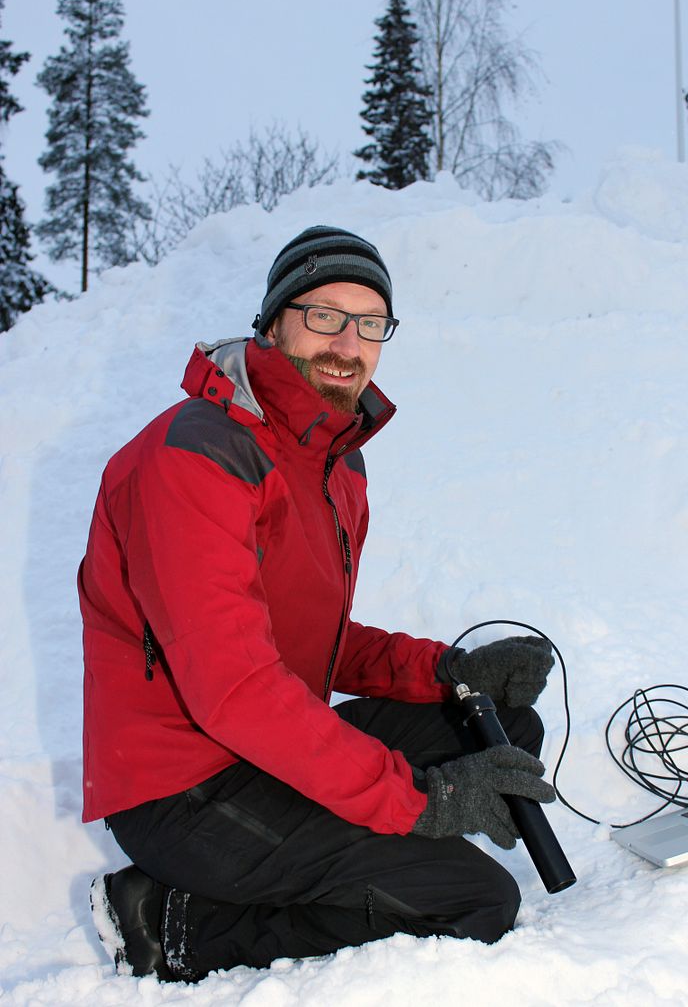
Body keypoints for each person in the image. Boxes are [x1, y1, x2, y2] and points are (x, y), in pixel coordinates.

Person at [79, 225, 556, 982]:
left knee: (497, 729)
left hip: (261, 752)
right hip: (187, 790)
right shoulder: (195, 454)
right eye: (324, 314)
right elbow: (236, 686)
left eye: (370, 323)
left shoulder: (334, 463)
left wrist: (451, 671)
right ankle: (173, 918)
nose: (348, 341)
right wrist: (420, 803)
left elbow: (318, 637)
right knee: (476, 900)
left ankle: (356, 855)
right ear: (273, 323)